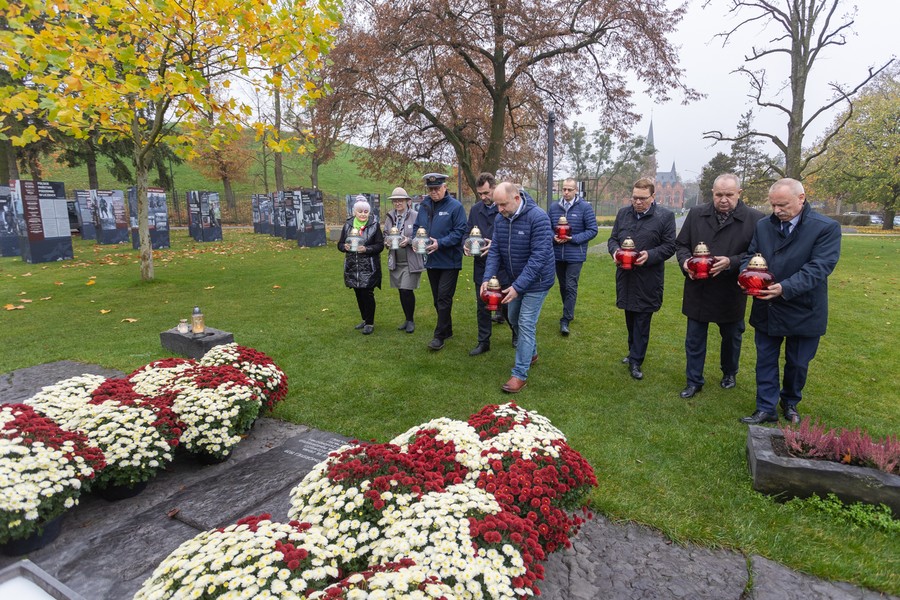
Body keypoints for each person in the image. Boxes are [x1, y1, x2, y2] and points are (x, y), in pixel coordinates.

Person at [739, 178, 841, 425]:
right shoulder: (764, 226)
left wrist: (784, 288)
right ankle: (765, 407)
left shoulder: (825, 228)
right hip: (767, 307)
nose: (777, 210)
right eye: (773, 205)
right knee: (765, 359)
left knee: (797, 363)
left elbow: (819, 267)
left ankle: (790, 402)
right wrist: (746, 276)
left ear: (801, 198)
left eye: (782, 205)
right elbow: (751, 256)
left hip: (803, 308)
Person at [674, 173, 764, 399]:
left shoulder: (755, 219)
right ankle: (694, 380)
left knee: (732, 337)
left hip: (730, 290)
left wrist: (731, 262)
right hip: (699, 288)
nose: (724, 199)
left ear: (739, 194)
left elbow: (757, 254)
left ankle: (729, 372)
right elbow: (682, 244)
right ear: (712, 194)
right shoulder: (696, 214)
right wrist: (686, 263)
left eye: (729, 195)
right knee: (694, 339)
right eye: (719, 195)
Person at [481, 182, 555, 393]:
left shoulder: (538, 218)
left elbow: (538, 258)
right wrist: (488, 277)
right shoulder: (500, 219)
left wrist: (518, 287)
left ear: (517, 198)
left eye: (503, 204)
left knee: (524, 323)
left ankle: (519, 374)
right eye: (497, 205)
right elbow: (495, 250)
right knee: (512, 318)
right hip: (516, 280)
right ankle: (531, 352)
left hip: (538, 281)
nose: (499, 209)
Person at [607, 177, 676, 380]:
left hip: (648, 278)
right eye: (635, 198)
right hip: (626, 275)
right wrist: (615, 251)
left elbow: (670, 246)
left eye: (643, 199)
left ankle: (637, 360)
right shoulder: (623, 214)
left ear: (653, 197)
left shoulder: (665, 216)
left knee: (642, 319)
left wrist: (650, 255)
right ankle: (632, 351)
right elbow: (612, 238)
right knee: (630, 316)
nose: (638, 202)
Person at [413, 173, 468, 351]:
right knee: (437, 299)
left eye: (437, 188)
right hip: (431, 259)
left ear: (445, 187)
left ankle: (439, 336)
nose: (434, 192)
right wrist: (416, 241)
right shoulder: (425, 205)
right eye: (430, 189)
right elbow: (417, 227)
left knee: (444, 297)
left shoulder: (455, 206)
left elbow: (460, 231)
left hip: (449, 260)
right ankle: (448, 328)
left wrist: (440, 243)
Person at [465, 172, 514, 355]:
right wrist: (466, 245)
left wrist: (496, 245)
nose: (484, 197)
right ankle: (483, 341)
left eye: (486, 193)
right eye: (480, 194)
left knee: (509, 305)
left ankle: (516, 333)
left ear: (494, 188)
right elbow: (467, 233)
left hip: (504, 267)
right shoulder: (476, 210)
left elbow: (513, 236)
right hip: (481, 266)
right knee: (482, 306)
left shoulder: (505, 208)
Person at [547, 178, 598, 335]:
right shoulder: (554, 207)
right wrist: (552, 238)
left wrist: (574, 239)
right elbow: (546, 228)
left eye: (570, 189)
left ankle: (565, 319)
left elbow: (592, 229)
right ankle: (568, 310)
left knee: (570, 285)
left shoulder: (585, 208)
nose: (566, 192)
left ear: (576, 190)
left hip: (575, 254)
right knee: (563, 286)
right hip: (557, 254)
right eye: (564, 189)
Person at [337, 196, 384, 335]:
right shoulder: (347, 225)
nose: (363, 214)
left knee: (367, 293)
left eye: (365, 211)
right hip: (353, 266)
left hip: (369, 267)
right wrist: (344, 246)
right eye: (360, 211)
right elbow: (339, 244)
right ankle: (364, 319)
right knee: (358, 293)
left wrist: (367, 249)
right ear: (354, 212)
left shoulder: (374, 225)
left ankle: (370, 322)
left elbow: (380, 245)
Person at [382, 187, 424, 333]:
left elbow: (422, 237)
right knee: (401, 290)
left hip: (410, 261)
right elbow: (385, 234)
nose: (398, 203)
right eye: (395, 200)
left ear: (407, 201)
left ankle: (411, 320)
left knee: (407, 290)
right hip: (395, 260)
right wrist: (386, 241)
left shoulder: (416, 216)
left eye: (401, 200)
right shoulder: (390, 217)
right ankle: (407, 319)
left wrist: (409, 241)